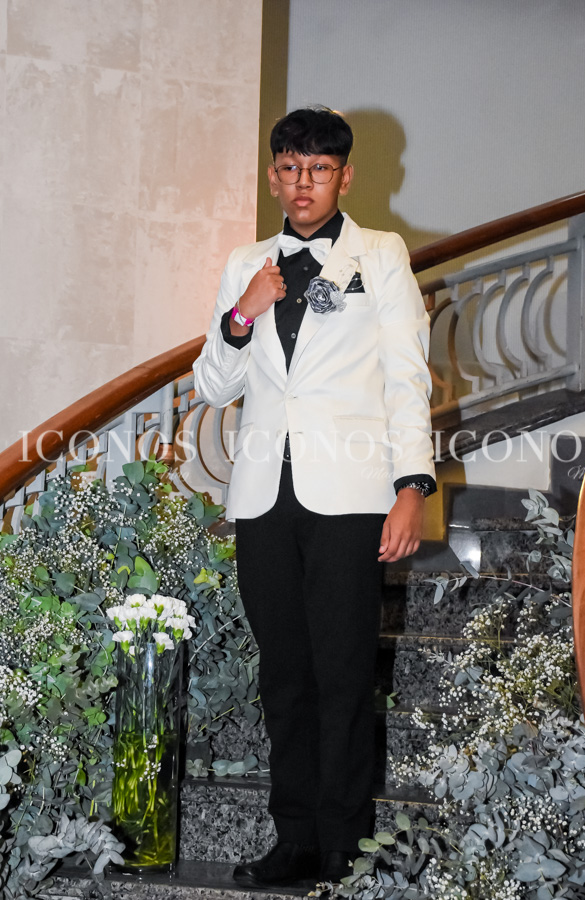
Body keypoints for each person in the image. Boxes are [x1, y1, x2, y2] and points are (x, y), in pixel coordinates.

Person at [192, 106, 436, 888]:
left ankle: (343, 844)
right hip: (265, 496)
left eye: (319, 169)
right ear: (274, 176)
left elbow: (406, 376)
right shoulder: (247, 263)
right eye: (291, 168)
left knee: (343, 674)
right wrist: (243, 313)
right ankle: (293, 838)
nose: (304, 182)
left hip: (351, 494)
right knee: (284, 678)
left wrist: (411, 486)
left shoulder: (380, 254)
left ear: (345, 176)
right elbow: (213, 385)